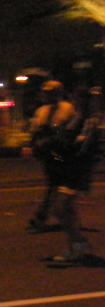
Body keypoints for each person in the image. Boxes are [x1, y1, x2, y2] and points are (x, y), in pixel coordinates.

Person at [48, 87, 102, 262]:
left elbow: (81, 147)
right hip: (66, 169)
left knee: (61, 207)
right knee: (65, 208)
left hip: (77, 171)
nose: (77, 102)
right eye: (76, 99)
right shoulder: (73, 118)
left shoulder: (89, 122)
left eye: (81, 99)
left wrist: (62, 149)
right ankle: (76, 245)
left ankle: (78, 243)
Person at [27, 80, 77, 231]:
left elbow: (68, 131)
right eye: (46, 92)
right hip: (48, 153)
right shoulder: (42, 110)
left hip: (62, 152)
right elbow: (35, 131)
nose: (46, 95)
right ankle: (63, 214)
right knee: (56, 184)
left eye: (50, 93)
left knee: (55, 184)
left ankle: (42, 215)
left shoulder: (67, 109)